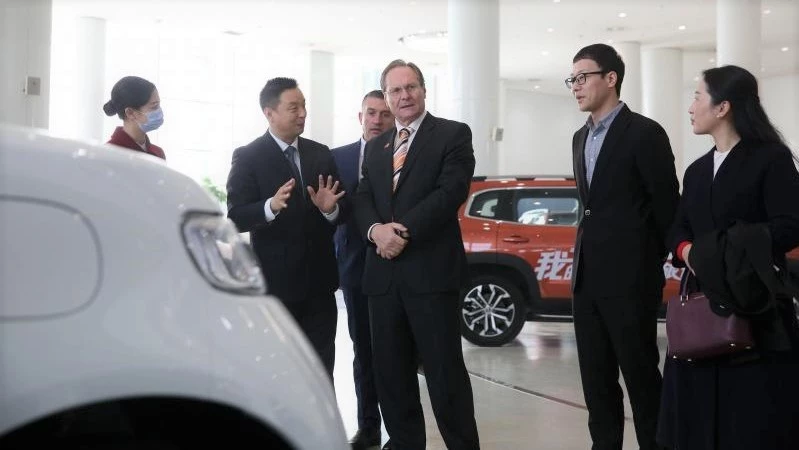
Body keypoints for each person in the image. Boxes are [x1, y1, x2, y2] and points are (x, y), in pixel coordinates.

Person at [657, 65, 799, 450]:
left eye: (697, 97)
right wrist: (689, 252)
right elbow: (678, 228)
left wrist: (728, 249)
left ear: (723, 107)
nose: (691, 107)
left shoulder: (771, 159)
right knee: (697, 415)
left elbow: (790, 224)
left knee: (752, 418)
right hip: (701, 306)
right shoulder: (697, 171)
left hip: (755, 304)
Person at [355, 59, 480, 450]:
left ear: (424, 90)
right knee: (391, 377)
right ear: (387, 96)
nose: (404, 95)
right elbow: (362, 197)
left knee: (445, 376)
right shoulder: (377, 147)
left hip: (431, 277)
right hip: (383, 278)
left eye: (411, 87)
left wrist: (399, 232)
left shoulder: (453, 134)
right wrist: (376, 231)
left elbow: (450, 192)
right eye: (395, 90)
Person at [566, 43, 679, 450]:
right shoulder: (580, 137)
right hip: (586, 280)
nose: (575, 86)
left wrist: (645, 263)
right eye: (571, 80)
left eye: (583, 77)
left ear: (611, 78)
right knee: (596, 384)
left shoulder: (645, 133)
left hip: (630, 281)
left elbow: (666, 207)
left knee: (642, 380)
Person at [225, 77, 347, 379]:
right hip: (276, 288)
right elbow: (235, 216)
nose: (303, 113)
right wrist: (269, 206)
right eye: (294, 108)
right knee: (279, 372)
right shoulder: (248, 156)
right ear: (270, 113)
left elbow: (341, 211)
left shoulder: (321, 153)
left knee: (321, 371)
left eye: (304, 106)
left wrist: (329, 209)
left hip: (320, 286)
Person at [332, 90, 395, 450]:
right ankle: (368, 426)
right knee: (363, 352)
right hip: (355, 267)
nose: (377, 120)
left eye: (384, 114)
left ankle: (398, 430)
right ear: (360, 117)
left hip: (394, 262)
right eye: (371, 113)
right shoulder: (337, 158)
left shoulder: (404, 154)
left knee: (395, 351)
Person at [103, 76, 165, 160]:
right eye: (154, 106)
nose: (159, 111)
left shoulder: (158, 153)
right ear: (130, 113)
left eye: (158, 105)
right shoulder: (107, 155)